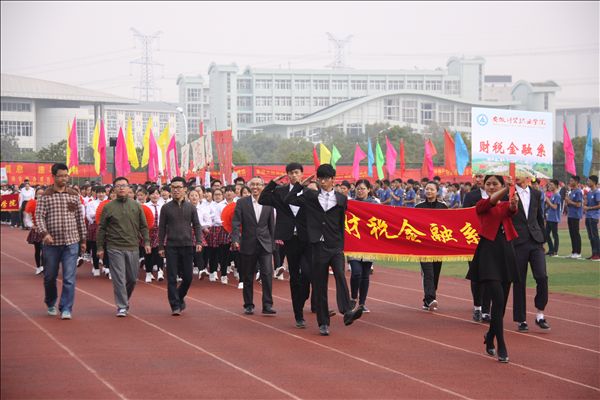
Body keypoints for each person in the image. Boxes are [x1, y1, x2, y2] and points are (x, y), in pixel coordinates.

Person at [284, 164, 363, 336]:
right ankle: (323, 323)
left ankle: (347, 311)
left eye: (326, 178)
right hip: (317, 245)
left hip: (335, 245)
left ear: (333, 180)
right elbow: (288, 200)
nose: (323, 181)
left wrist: (341, 243)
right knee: (320, 285)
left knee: (341, 276)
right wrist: (300, 185)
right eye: (320, 178)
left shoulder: (341, 199)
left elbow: (342, 222)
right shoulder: (310, 196)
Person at [466, 175, 519, 363]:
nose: (490, 186)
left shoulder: (505, 205)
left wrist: (513, 201)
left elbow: (512, 210)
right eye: (488, 184)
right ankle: (501, 345)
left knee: (501, 305)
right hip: (488, 253)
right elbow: (491, 201)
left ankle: (490, 336)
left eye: (494, 184)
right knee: (496, 298)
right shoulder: (482, 204)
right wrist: (506, 188)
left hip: (506, 253)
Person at [259, 162, 311, 328]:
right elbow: (263, 199)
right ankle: (298, 314)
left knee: (308, 274)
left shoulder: (309, 192)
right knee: (294, 275)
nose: (294, 175)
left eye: (297, 172)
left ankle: (302, 298)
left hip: (306, 237)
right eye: (291, 173)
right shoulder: (280, 191)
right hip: (289, 238)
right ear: (287, 175)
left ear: (302, 174)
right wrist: (273, 183)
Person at [35, 163, 87, 320]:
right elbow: (39, 217)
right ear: (54, 176)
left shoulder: (73, 195)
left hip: (71, 242)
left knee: (69, 278)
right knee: (50, 276)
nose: (64, 179)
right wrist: (45, 234)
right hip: (51, 244)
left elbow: (80, 218)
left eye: (66, 175)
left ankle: (66, 308)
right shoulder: (45, 196)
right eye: (61, 176)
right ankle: (50, 302)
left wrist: (83, 240)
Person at [97, 177, 151, 317]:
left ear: (129, 189)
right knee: (119, 278)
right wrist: (100, 247)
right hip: (114, 247)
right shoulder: (108, 207)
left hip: (133, 246)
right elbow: (102, 228)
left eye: (124, 186)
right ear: (114, 189)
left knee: (132, 278)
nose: (121, 188)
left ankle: (124, 298)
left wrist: (146, 242)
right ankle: (122, 306)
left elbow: (143, 226)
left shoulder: (136, 205)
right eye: (118, 186)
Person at [231, 177, 277, 316]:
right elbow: (236, 223)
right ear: (249, 186)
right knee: (248, 276)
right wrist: (235, 239)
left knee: (267, 275)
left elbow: (271, 225)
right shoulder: (242, 203)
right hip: (248, 243)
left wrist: (273, 244)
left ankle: (267, 305)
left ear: (263, 186)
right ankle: (248, 304)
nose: (256, 187)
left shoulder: (269, 203)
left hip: (265, 245)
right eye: (253, 184)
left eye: (258, 184)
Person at [158, 177, 203, 315]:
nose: (176, 190)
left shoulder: (191, 207)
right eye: (173, 187)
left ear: (185, 189)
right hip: (171, 246)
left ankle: (179, 296)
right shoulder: (166, 208)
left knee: (188, 277)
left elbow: (196, 225)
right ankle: (175, 305)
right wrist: (161, 246)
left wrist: (199, 241)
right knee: (171, 276)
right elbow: (162, 228)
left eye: (179, 187)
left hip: (187, 245)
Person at [512, 176, 551, 332]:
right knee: (519, 281)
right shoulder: (508, 193)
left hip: (535, 241)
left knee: (542, 276)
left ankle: (540, 313)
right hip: (517, 242)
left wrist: (543, 239)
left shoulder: (536, 193)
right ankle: (521, 319)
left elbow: (539, 217)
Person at [462, 173, 491, 322]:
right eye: (477, 177)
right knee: (476, 276)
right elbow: (463, 217)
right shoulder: (470, 196)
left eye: (481, 176)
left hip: (494, 242)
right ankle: (477, 307)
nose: (478, 180)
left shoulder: (502, 196)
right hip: (474, 241)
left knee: (491, 277)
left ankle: (487, 309)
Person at [415, 181, 448, 310]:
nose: (429, 191)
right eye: (427, 189)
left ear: (437, 191)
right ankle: (430, 298)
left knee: (436, 273)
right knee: (428, 273)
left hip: (438, 246)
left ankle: (428, 298)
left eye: (432, 189)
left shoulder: (443, 207)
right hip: (424, 246)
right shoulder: (419, 206)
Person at [348, 179, 378, 312]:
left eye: (363, 188)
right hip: (353, 242)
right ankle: (353, 298)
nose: (360, 191)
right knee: (356, 273)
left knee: (365, 274)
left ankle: (362, 303)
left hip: (368, 244)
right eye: (358, 188)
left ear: (369, 190)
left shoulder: (375, 204)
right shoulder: (350, 203)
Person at [24, 188, 46, 275]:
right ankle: (38, 267)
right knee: (38, 249)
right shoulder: (32, 203)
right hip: (36, 230)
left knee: (45, 250)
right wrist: (32, 225)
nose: (40, 195)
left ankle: (44, 266)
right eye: (39, 193)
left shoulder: (47, 203)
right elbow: (27, 218)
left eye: (42, 193)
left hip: (45, 230)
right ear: (36, 194)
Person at [565, 175, 583, 259]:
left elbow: (579, 204)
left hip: (575, 215)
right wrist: (567, 202)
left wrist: (569, 201)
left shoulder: (578, 191)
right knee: (572, 234)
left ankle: (578, 252)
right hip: (570, 215)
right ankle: (573, 252)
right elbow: (570, 202)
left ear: (576, 182)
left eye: (572, 181)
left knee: (576, 233)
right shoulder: (572, 191)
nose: (570, 182)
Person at [583, 175, 600, 260]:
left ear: (594, 182)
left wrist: (589, 208)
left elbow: (599, 205)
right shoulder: (589, 192)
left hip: (594, 216)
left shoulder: (597, 192)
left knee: (595, 236)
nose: (587, 182)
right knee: (590, 236)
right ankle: (594, 253)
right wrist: (585, 202)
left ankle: (598, 253)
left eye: (589, 181)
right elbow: (586, 205)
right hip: (588, 216)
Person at [544, 179, 562, 257]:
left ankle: (555, 251)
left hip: (554, 218)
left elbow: (555, 207)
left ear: (556, 186)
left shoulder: (557, 195)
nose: (550, 186)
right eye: (549, 185)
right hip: (549, 218)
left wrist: (548, 201)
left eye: (551, 185)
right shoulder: (552, 195)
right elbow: (549, 206)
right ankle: (551, 250)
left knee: (555, 235)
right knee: (546, 234)